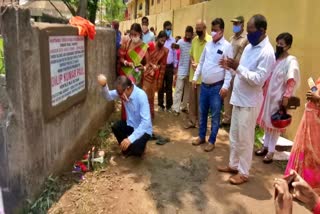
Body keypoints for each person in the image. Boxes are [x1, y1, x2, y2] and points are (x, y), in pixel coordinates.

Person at [217, 14, 275, 185]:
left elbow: (258, 79)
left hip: (250, 102)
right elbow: (241, 73)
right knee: (234, 135)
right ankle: (233, 165)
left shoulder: (267, 53)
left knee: (245, 138)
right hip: (238, 98)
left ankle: (244, 172)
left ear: (262, 30)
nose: (248, 34)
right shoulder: (250, 47)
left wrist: (238, 67)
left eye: (251, 31)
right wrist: (230, 66)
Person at [256, 33, 300, 163]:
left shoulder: (290, 61)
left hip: (278, 97)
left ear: (288, 46)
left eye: (281, 44)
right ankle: (265, 147)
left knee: (275, 125)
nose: (278, 46)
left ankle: (271, 151)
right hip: (267, 95)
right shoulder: (275, 58)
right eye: (277, 43)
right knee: (268, 123)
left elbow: (291, 80)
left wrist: (286, 96)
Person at [191, 18, 233, 152]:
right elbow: (201, 62)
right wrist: (195, 77)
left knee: (215, 115)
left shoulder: (227, 46)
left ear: (222, 31)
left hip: (216, 87)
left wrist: (225, 86)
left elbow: (229, 69)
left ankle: (212, 140)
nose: (213, 32)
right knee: (202, 112)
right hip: (204, 86)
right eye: (212, 30)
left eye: (216, 30)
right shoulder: (208, 45)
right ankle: (201, 136)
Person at [97, 75, 152, 157]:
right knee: (116, 127)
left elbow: (146, 122)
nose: (120, 95)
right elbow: (108, 96)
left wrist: (130, 139)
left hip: (143, 130)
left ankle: (138, 148)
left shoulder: (141, 95)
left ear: (128, 88)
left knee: (137, 151)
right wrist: (104, 85)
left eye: (121, 93)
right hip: (131, 124)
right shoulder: (122, 91)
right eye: (118, 93)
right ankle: (127, 149)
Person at [284, 77, 320, 192]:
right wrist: (312, 94)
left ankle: (309, 188)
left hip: (317, 125)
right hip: (310, 119)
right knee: (302, 149)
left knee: (313, 155)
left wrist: (317, 98)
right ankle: (295, 181)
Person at [184, 19, 211, 129]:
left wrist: (199, 65)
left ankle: (201, 123)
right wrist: (193, 62)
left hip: (203, 78)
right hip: (193, 77)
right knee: (192, 102)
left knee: (202, 103)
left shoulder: (210, 41)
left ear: (205, 28)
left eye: (199, 29)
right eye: (196, 29)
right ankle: (192, 121)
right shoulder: (194, 40)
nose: (197, 30)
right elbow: (191, 54)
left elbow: (211, 59)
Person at [221, 16, 248, 126]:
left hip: (238, 71)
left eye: (237, 24)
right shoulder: (232, 38)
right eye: (234, 24)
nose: (235, 26)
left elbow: (244, 56)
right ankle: (227, 118)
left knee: (236, 95)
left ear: (242, 25)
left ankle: (235, 121)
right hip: (229, 70)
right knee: (227, 95)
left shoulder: (246, 39)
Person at [143, 31, 169, 119]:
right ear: (158, 38)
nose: (163, 42)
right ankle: (144, 115)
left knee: (151, 96)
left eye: (164, 41)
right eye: (161, 40)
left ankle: (150, 115)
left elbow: (163, 64)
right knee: (145, 95)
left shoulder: (164, 51)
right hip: (147, 74)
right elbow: (145, 58)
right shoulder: (150, 45)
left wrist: (157, 66)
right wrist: (151, 65)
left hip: (155, 75)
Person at [172, 26, 194, 115]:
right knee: (178, 89)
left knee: (187, 90)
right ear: (185, 33)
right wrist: (174, 46)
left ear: (192, 34)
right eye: (187, 32)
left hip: (190, 70)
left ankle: (184, 106)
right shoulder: (180, 42)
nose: (188, 34)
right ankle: (176, 108)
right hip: (181, 69)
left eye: (190, 33)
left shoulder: (193, 43)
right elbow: (176, 48)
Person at [158, 21, 178, 112]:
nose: (169, 31)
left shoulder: (173, 41)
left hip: (170, 67)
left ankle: (169, 106)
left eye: (170, 29)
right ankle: (160, 105)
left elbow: (174, 53)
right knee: (160, 86)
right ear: (164, 29)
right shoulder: (160, 40)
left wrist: (175, 66)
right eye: (167, 29)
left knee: (169, 87)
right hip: (161, 67)